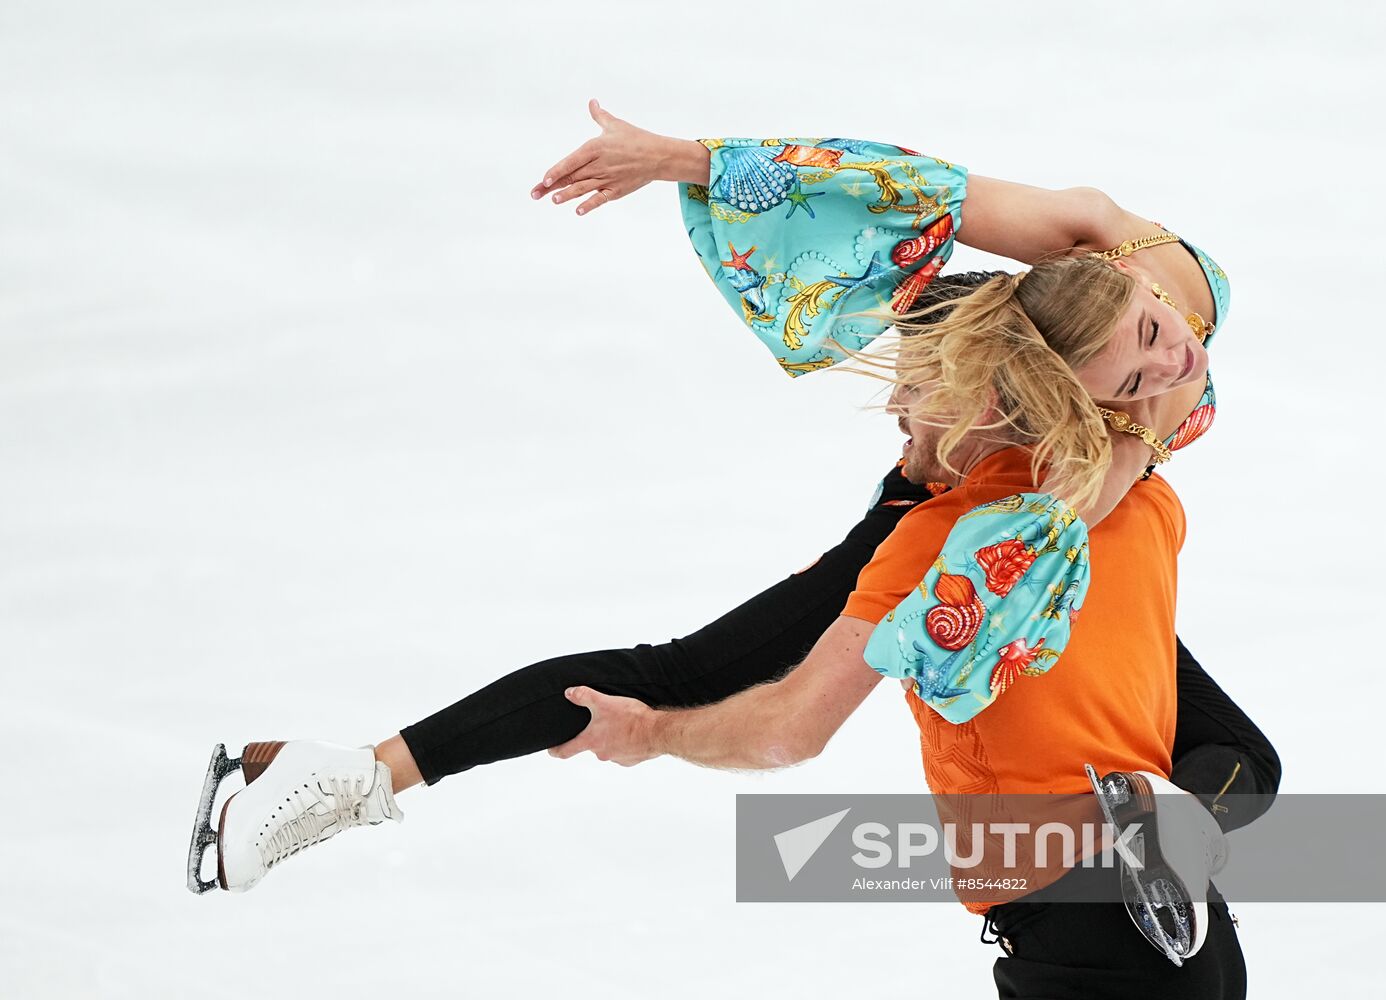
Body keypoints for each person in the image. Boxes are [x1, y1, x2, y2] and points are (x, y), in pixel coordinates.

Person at [187, 103, 1278, 989]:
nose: (1171, 356)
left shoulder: (1105, 425)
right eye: (1140, 347)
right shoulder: (1107, 272)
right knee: (695, 671)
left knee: (1236, 758)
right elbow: (913, 190)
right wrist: (691, 158)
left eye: (1151, 363)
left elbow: (1076, 492)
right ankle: (359, 776)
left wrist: (998, 552)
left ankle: (1155, 829)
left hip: (1030, 555)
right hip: (1013, 529)